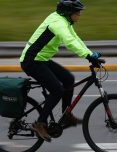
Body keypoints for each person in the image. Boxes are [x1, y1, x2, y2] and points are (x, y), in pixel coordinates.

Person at [20, 0, 101, 142]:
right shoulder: (58, 23)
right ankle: (40, 123)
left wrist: (90, 54)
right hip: (31, 61)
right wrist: (87, 56)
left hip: (41, 59)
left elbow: (75, 39)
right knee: (57, 89)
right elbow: (69, 41)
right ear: (69, 13)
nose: (80, 15)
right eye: (77, 12)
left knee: (68, 79)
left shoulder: (65, 21)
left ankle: (66, 116)